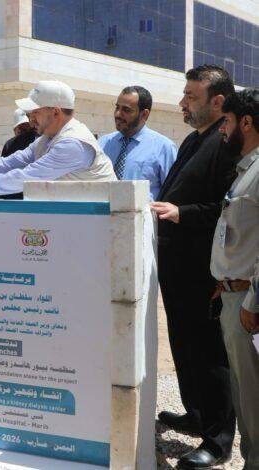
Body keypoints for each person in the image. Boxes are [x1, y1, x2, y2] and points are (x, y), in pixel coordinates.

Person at [150, 64, 238, 469]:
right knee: (184, 346)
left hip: (205, 270)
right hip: (177, 267)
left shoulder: (228, 142)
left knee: (209, 353)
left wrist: (182, 213)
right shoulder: (193, 139)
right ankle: (196, 414)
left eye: (191, 96)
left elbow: (228, 209)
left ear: (217, 101)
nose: (182, 103)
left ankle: (218, 440)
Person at [0, 80, 116, 195]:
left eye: (35, 112)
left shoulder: (73, 144)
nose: (31, 119)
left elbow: (25, 177)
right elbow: (8, 163)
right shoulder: (47, 139)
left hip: (107, 225)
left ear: (55, 112)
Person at [210, 88, 259, 469]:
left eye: (226, 121)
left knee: (254, 400)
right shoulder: (246, 169)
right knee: (246, 398)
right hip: (233, 295)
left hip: (248, 304)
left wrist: (252, 302)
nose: (221, 129)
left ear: (246, 122)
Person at [99, 86, 177, 200]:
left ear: (144, 114)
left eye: (126, 110)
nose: (118, 114)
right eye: (117, 107)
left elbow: (173, 194)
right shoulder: (103, 143)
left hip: (144, 211)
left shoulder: (164, 148)